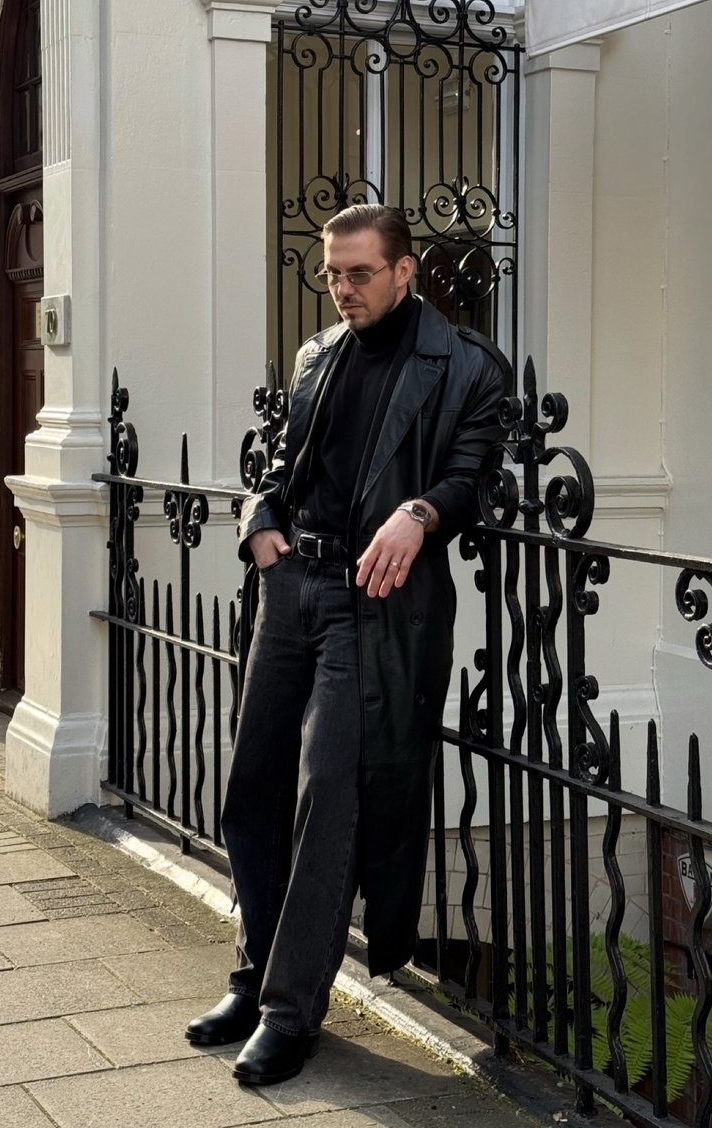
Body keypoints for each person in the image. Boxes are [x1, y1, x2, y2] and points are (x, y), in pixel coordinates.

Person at [185, 203, 511, 1085]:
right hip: (294, 585)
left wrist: (422, 510)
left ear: (406, 271)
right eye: (332, 272)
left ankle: (292, 1013)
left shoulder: (467, 366)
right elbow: (282, 464)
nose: (341, 288)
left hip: (375, 605)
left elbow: (475, 474)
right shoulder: (316, 355)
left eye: (359, 272)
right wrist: (259, 520)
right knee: (252, 788)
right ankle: (252, 978)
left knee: (327, 798)